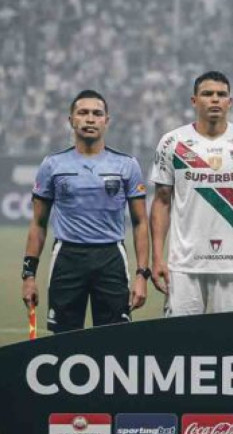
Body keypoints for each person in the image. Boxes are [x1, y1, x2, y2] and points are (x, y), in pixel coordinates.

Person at [21, 90, 149, 332]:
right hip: (67, 258)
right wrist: (29, 276)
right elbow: (38, 223)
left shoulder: (127, 165)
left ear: (106, 121)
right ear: (71, 120)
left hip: (111, 257)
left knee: (114, 341)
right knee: (63, 341)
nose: (90, 119)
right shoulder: (52, 165)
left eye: (97, 113)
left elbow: (140, 223)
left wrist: (142, 275)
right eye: (83, 113)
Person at [150, 71, 233, 315]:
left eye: (221, 94)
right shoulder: (172, 142)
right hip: (184, 266)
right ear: (194, 101)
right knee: (182, 344)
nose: (215, 99)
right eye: (207, 94)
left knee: (230, 343)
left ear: (230, 102)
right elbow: (161, 202)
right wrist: (157, 257)